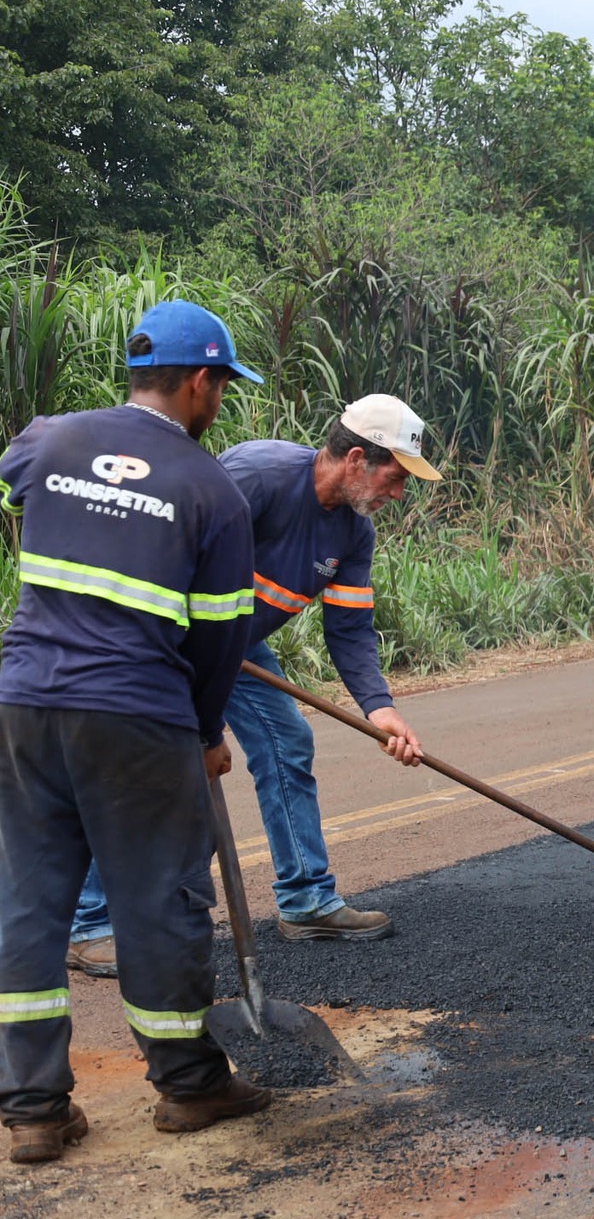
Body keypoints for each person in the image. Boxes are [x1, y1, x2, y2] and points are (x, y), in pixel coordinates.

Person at [0, 300, 273, 1164]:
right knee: (157, 895)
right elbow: (223, 634)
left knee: (28, 899)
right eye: (222, 385)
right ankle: (189, 1085)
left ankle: (34, 1109)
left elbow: (19, 484)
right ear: (200, 381)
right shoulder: (212, 491)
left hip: (22, 703)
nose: (220, 400)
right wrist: (202, 732)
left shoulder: (44, 441)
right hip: (135, 714)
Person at [62, 396, 441, 973]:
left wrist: (379, 708)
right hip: (158, 633)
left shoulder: (352, 536)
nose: (399, 493)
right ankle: (89, 923)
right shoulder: (255, 476)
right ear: (358, 458)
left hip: (235, 646)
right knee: (136, 761)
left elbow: (351, 629)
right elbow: (164, 554)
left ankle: (307, 900)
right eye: (396, 476)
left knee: (286, 741)